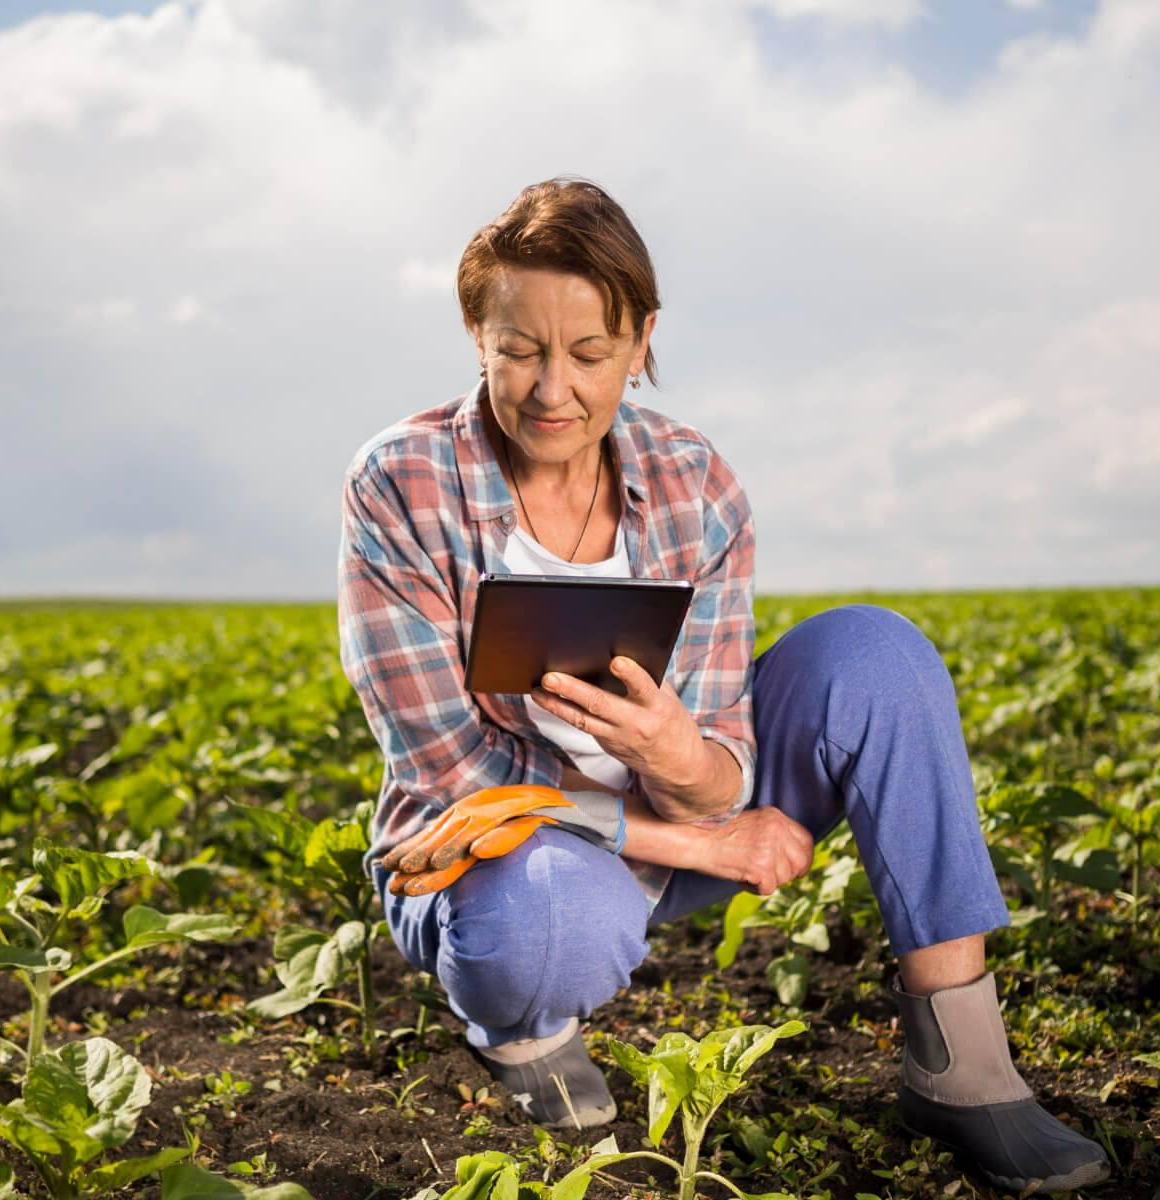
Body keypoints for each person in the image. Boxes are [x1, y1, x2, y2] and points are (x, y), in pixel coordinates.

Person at [337, 178, 1110, 1195]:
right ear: (478, 334)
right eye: (519, 349)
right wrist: (695, 839)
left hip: (677, 822)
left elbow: (720, 776)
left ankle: (964, 1066)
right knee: (546, 927)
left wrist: (677, 757)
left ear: (643, 338)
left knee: (879, 655)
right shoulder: (403, 484)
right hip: (500, 860)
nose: (551, 390)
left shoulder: (695, 483)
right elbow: (456, 782)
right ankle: (517, 1028)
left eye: (590, 354)